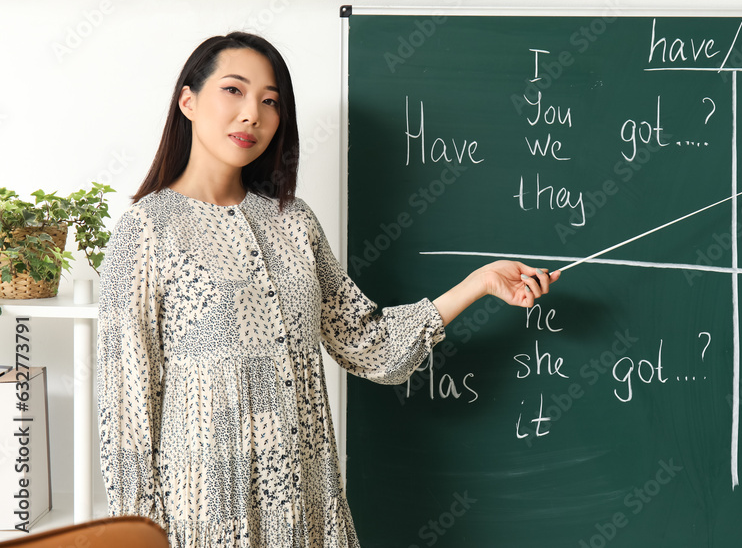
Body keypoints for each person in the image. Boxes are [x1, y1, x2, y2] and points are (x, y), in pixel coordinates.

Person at [96, 31, 559, 548]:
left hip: (306, 508)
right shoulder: (146, 230)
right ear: (188, 100)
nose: (253, 113)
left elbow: (369, 344)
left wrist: (476, 285)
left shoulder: (294, 222)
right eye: (234, 90)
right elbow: (126, 412)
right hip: (204, 515)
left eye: (271, 101)